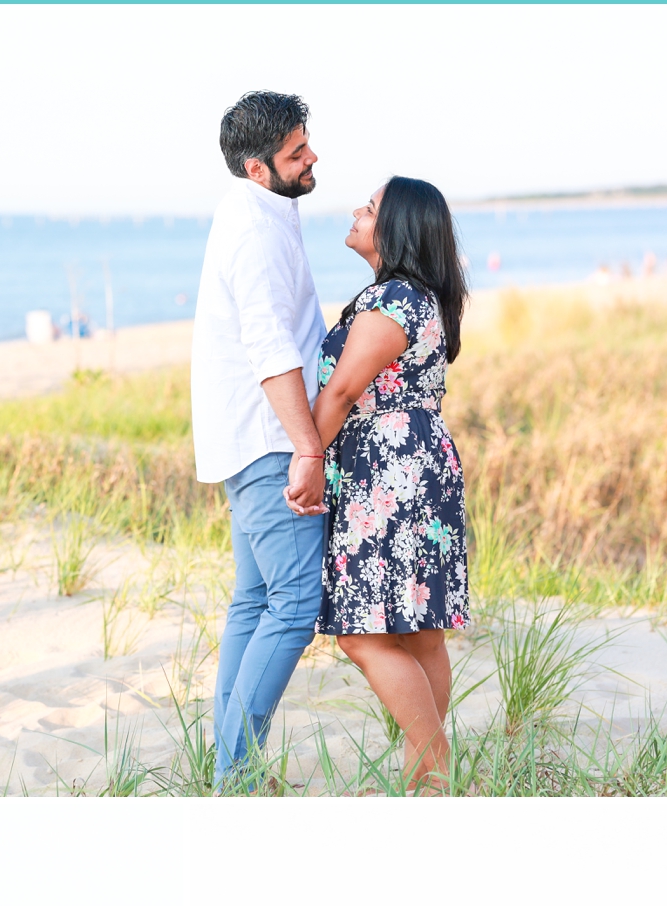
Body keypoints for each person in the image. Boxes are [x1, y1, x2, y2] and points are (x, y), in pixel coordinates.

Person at [297, 177, 470, 792]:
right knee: (420, 631)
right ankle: (426, 776)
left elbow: (342, 392)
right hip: (420, 467)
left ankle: (432, 759)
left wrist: (307, 455)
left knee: (362, 633)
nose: (355, 211)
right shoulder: (422, 297)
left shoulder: (395, 299)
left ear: (394, 229)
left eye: (368, 208)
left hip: (386, 472)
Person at [191, 91, 327, 787]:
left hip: (249, 437)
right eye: (296, 153)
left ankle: (227, 770)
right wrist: (308, 447)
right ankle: (235, 776)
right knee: (296, 604)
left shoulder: (260, 209)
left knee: (254, 601)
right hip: (269, 440)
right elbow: (269, 343)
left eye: (307, 144)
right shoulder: (256, 229)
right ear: (256, 166)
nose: (312, 159)